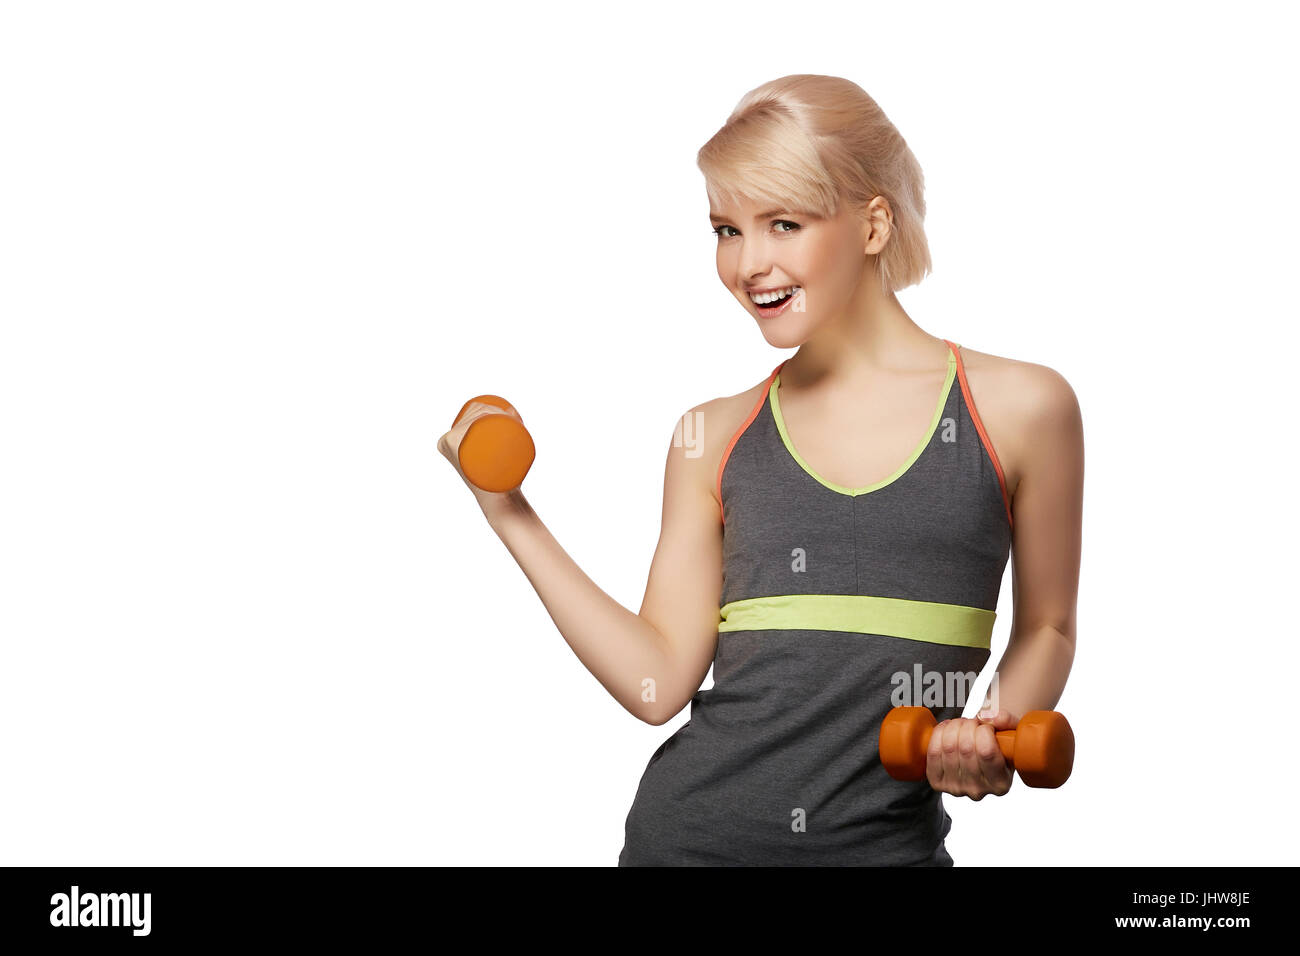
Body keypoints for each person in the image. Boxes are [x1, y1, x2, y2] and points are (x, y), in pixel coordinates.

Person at [438, 74, 1083, 865]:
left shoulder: (1022, 408)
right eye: (725, 230)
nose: (749, 264)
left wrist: (994, 725)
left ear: (874, 224)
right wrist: (507, 509)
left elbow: (1047, 625)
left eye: (783, 223)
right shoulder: (711, 437)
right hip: (688, 847)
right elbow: (657, 683)